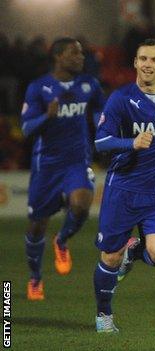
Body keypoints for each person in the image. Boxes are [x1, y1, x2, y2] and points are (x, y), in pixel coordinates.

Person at [91, 39, 155, 333]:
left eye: (154, 60)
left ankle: (133, 253)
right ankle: (104, 315)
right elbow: (100, 141)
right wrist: (131, 143)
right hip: (121, 190)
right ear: (135, 63)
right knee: (109, 257)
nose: (148, 64)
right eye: (143, 59)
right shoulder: (121, 99)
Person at [20, 37, 105, 301]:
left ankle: (62, 239)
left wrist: (103, 130)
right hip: (46, 165)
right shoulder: (39, 88)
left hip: (77, 160)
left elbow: (100, 112)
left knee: (81, 204)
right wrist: (47, 116)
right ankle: (35, 278)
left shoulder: (89, 84)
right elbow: (25, 129)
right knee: (36, 226)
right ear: (58, 56)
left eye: (81, 53)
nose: (81, 57)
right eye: (74, 53)